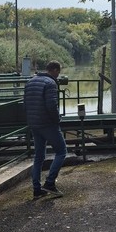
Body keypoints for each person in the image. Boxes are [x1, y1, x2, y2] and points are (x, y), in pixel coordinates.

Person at [24, 61, 67, 199]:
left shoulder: (30, 82)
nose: (58, 75)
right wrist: (57, 120)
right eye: (58, 72)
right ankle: (49, 183)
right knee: (61, 151)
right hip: (47, 123)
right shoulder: (50, 83)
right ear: (54, 70)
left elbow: (25, 103)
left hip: (34, 123)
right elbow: (51, 105)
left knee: (39, 156)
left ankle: (37, 190)